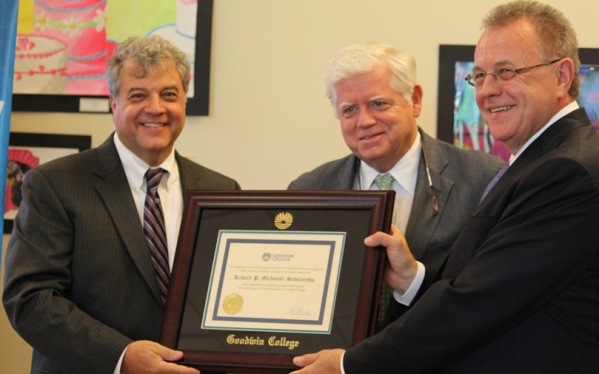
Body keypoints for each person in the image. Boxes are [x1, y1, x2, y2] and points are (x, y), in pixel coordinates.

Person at [291, 1, 599, 372]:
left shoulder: (565, 171)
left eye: (506, 72)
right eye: (480, 76)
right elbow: (484, 285)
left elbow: (477, 304)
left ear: (563, 76)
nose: (487, 91)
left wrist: (348, 365)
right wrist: (412, 278)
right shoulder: (542, 161)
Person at [3, 35, 240, 374]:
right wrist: (122, 356)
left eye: (169, 94)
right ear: (113, 103)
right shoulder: (54, 185)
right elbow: (30, 300)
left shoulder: (221, 190)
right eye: (138, 95)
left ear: (183, 103)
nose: (156, 108)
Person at [288, 42, 502, 329]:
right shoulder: (307, 191)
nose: (364, 121)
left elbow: (495, 298)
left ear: (414, 100)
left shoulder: (484, 179)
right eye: (349, 110)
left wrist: (413, 279)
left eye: (378, 104)